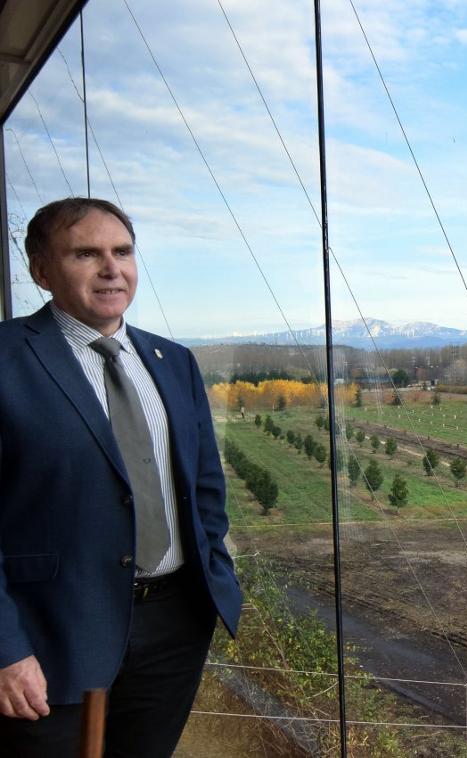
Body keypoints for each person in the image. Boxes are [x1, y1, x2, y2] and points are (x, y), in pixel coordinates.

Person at [0, 198, 242, 757]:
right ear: (41, 270)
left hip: (173, 626)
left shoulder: (173, 360)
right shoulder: (5, 360)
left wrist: (215, 579)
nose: (112, 268)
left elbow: (205, 490)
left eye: (123, 251)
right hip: (52, 633)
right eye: (86, 253)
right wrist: (5, 651)